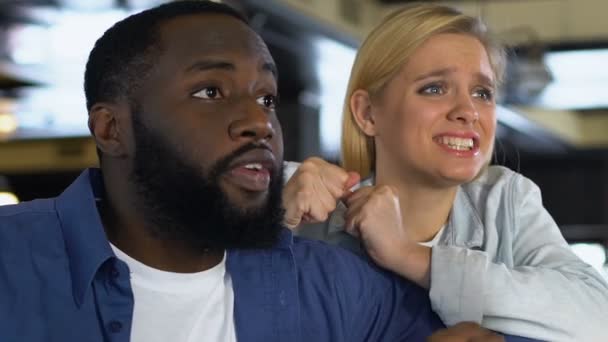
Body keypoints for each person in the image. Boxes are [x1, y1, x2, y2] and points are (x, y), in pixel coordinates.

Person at [0, 1, 538, 342]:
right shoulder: (14, 263)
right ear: (112, 129)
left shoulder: (330, 286)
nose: (259, 121)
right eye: (211, 91)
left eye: (267, 97)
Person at [283, 4, 608, 342]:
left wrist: (410, 256)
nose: (468, 111)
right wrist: (274, 220)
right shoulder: (310, 211)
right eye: (435, 88)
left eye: (482, 93)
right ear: (367, 113)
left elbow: (598, 317)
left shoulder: (505, 202)